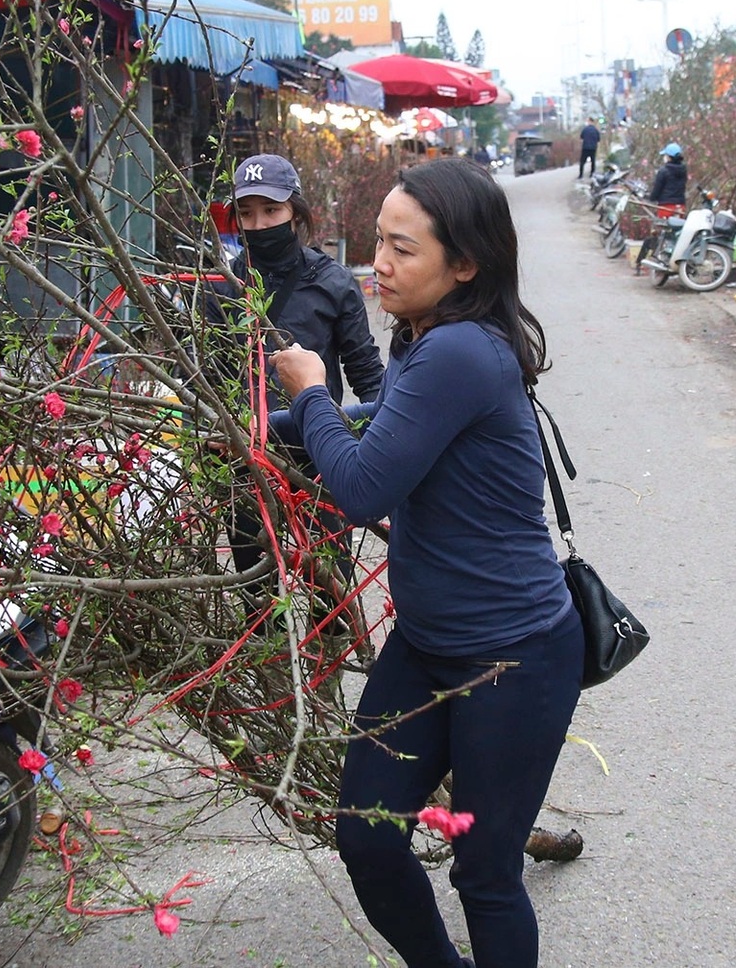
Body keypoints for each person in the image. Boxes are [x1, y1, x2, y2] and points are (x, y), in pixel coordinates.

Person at [271, 157, 581, 968]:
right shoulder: (423, 339)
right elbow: (383, 419)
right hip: (429, 643)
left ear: (465, 264)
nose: (380, 264)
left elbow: (364, 490)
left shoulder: (458, 352)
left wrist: (308, 392)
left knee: (486, 874)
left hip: (513, 658)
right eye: (377, 241)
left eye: (403, 250)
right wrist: (267, 426)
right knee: (368, 838)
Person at [223, 153, 384, 583]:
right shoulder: (223, 286)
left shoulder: (332, 283)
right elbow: (209, 376)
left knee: (329, 583)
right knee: (254, 589)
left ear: (296, 212)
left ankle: (333, 648)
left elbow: (367, 375)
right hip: (245, 458)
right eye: (246, 213)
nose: (258, 224)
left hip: (319, 452)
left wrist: (386, 448)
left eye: (271, 210)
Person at [634, 141, 688, 274]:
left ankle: (651, 261)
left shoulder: (664, 171)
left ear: (668, 157)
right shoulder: (683, 170)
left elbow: (657, 190)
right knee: (676, 234)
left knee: (659, 233)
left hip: (665, 206)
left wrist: (650, 198)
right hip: (679, 206)